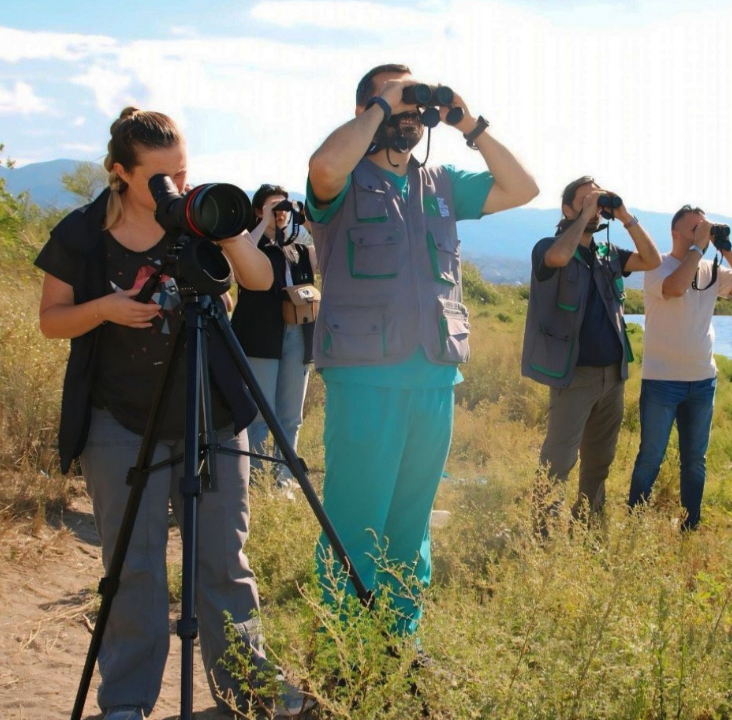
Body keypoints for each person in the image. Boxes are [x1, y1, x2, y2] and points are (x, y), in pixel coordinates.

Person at [35, 107, 310, 718]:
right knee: (131, 565)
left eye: (182, 174)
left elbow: (261, 280)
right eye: (160, 178)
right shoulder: (82, 234)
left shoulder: (195, 220)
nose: (173, 188)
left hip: (209, 412)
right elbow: (51, 320)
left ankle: (249, 690)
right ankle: (127, 703)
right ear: (119, 174)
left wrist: (227, 222)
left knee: (223, 559)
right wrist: (105, 308)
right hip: (118, 416)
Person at [306, 64, 538, 635]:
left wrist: (468, 121)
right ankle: (343, 657)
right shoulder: (344, 179)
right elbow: (323, 166)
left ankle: (398, 649)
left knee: (411, 529)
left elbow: (523, 188)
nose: (413, 111)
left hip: (434, 378)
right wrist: (385, 103)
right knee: (356, 523)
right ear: (369, 108)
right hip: (365, 379)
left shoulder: (440, 182)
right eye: (399, 100)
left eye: (417, 102)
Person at [522, 176, 661, 524]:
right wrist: (584, 217)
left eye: (598, 203)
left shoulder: (608, 254)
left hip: (613, 375)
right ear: (567, 208)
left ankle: (590, 527)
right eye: (585, 201)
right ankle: (543, 534)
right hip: (574, 375)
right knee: (559, 459)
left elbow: (652, 260)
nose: (595, 208)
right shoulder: (547, 246)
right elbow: (557, 257)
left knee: (600, 459)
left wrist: (624, 214)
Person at [626, 206, 732, 530]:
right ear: (675, 233)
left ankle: (691, 528)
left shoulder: (709, 269)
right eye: (694, 229)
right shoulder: (656, 265)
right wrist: (698, 248)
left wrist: (724, 249)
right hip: (662, 381)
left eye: (704, 227)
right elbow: (674, 288)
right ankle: (634, 526)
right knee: (650, 459)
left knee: (695, 464)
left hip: (702, 381)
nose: (701, 232)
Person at [231, 184, 317, 490]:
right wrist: (262, 222)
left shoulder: (298, 248)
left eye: (284, 207)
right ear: (258, 210)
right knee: (258, 414)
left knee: (290, 415)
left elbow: (331, 256)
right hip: (259, 337)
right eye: (273, 207)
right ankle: (253, 482)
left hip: (298, 334)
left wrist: (306, 221)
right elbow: (234, 265)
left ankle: (282, 482)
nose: (280, 213)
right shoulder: (247, 244)